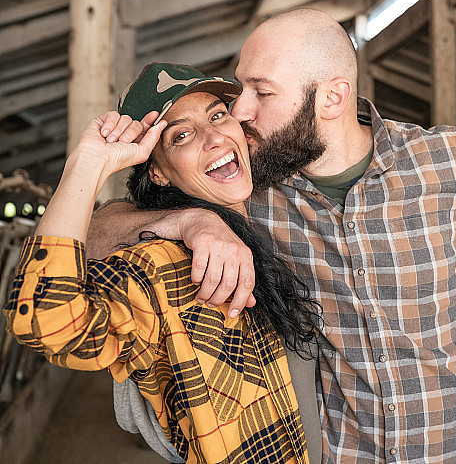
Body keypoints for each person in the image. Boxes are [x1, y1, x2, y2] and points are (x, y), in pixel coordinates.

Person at [89, 9, 456, 463]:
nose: (240, 111)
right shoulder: (249, 188)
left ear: (332, 97)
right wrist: (191, 221)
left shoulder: (448, 162)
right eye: (241, 90)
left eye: (262, 92)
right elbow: (92, 234)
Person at [4, 63, 322, 464]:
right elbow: (46, 319)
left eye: (217, 115)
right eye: (181, 135)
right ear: (158, 172)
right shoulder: (164, 265)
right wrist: (86, 164)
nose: (214, 137)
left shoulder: (271, 208)